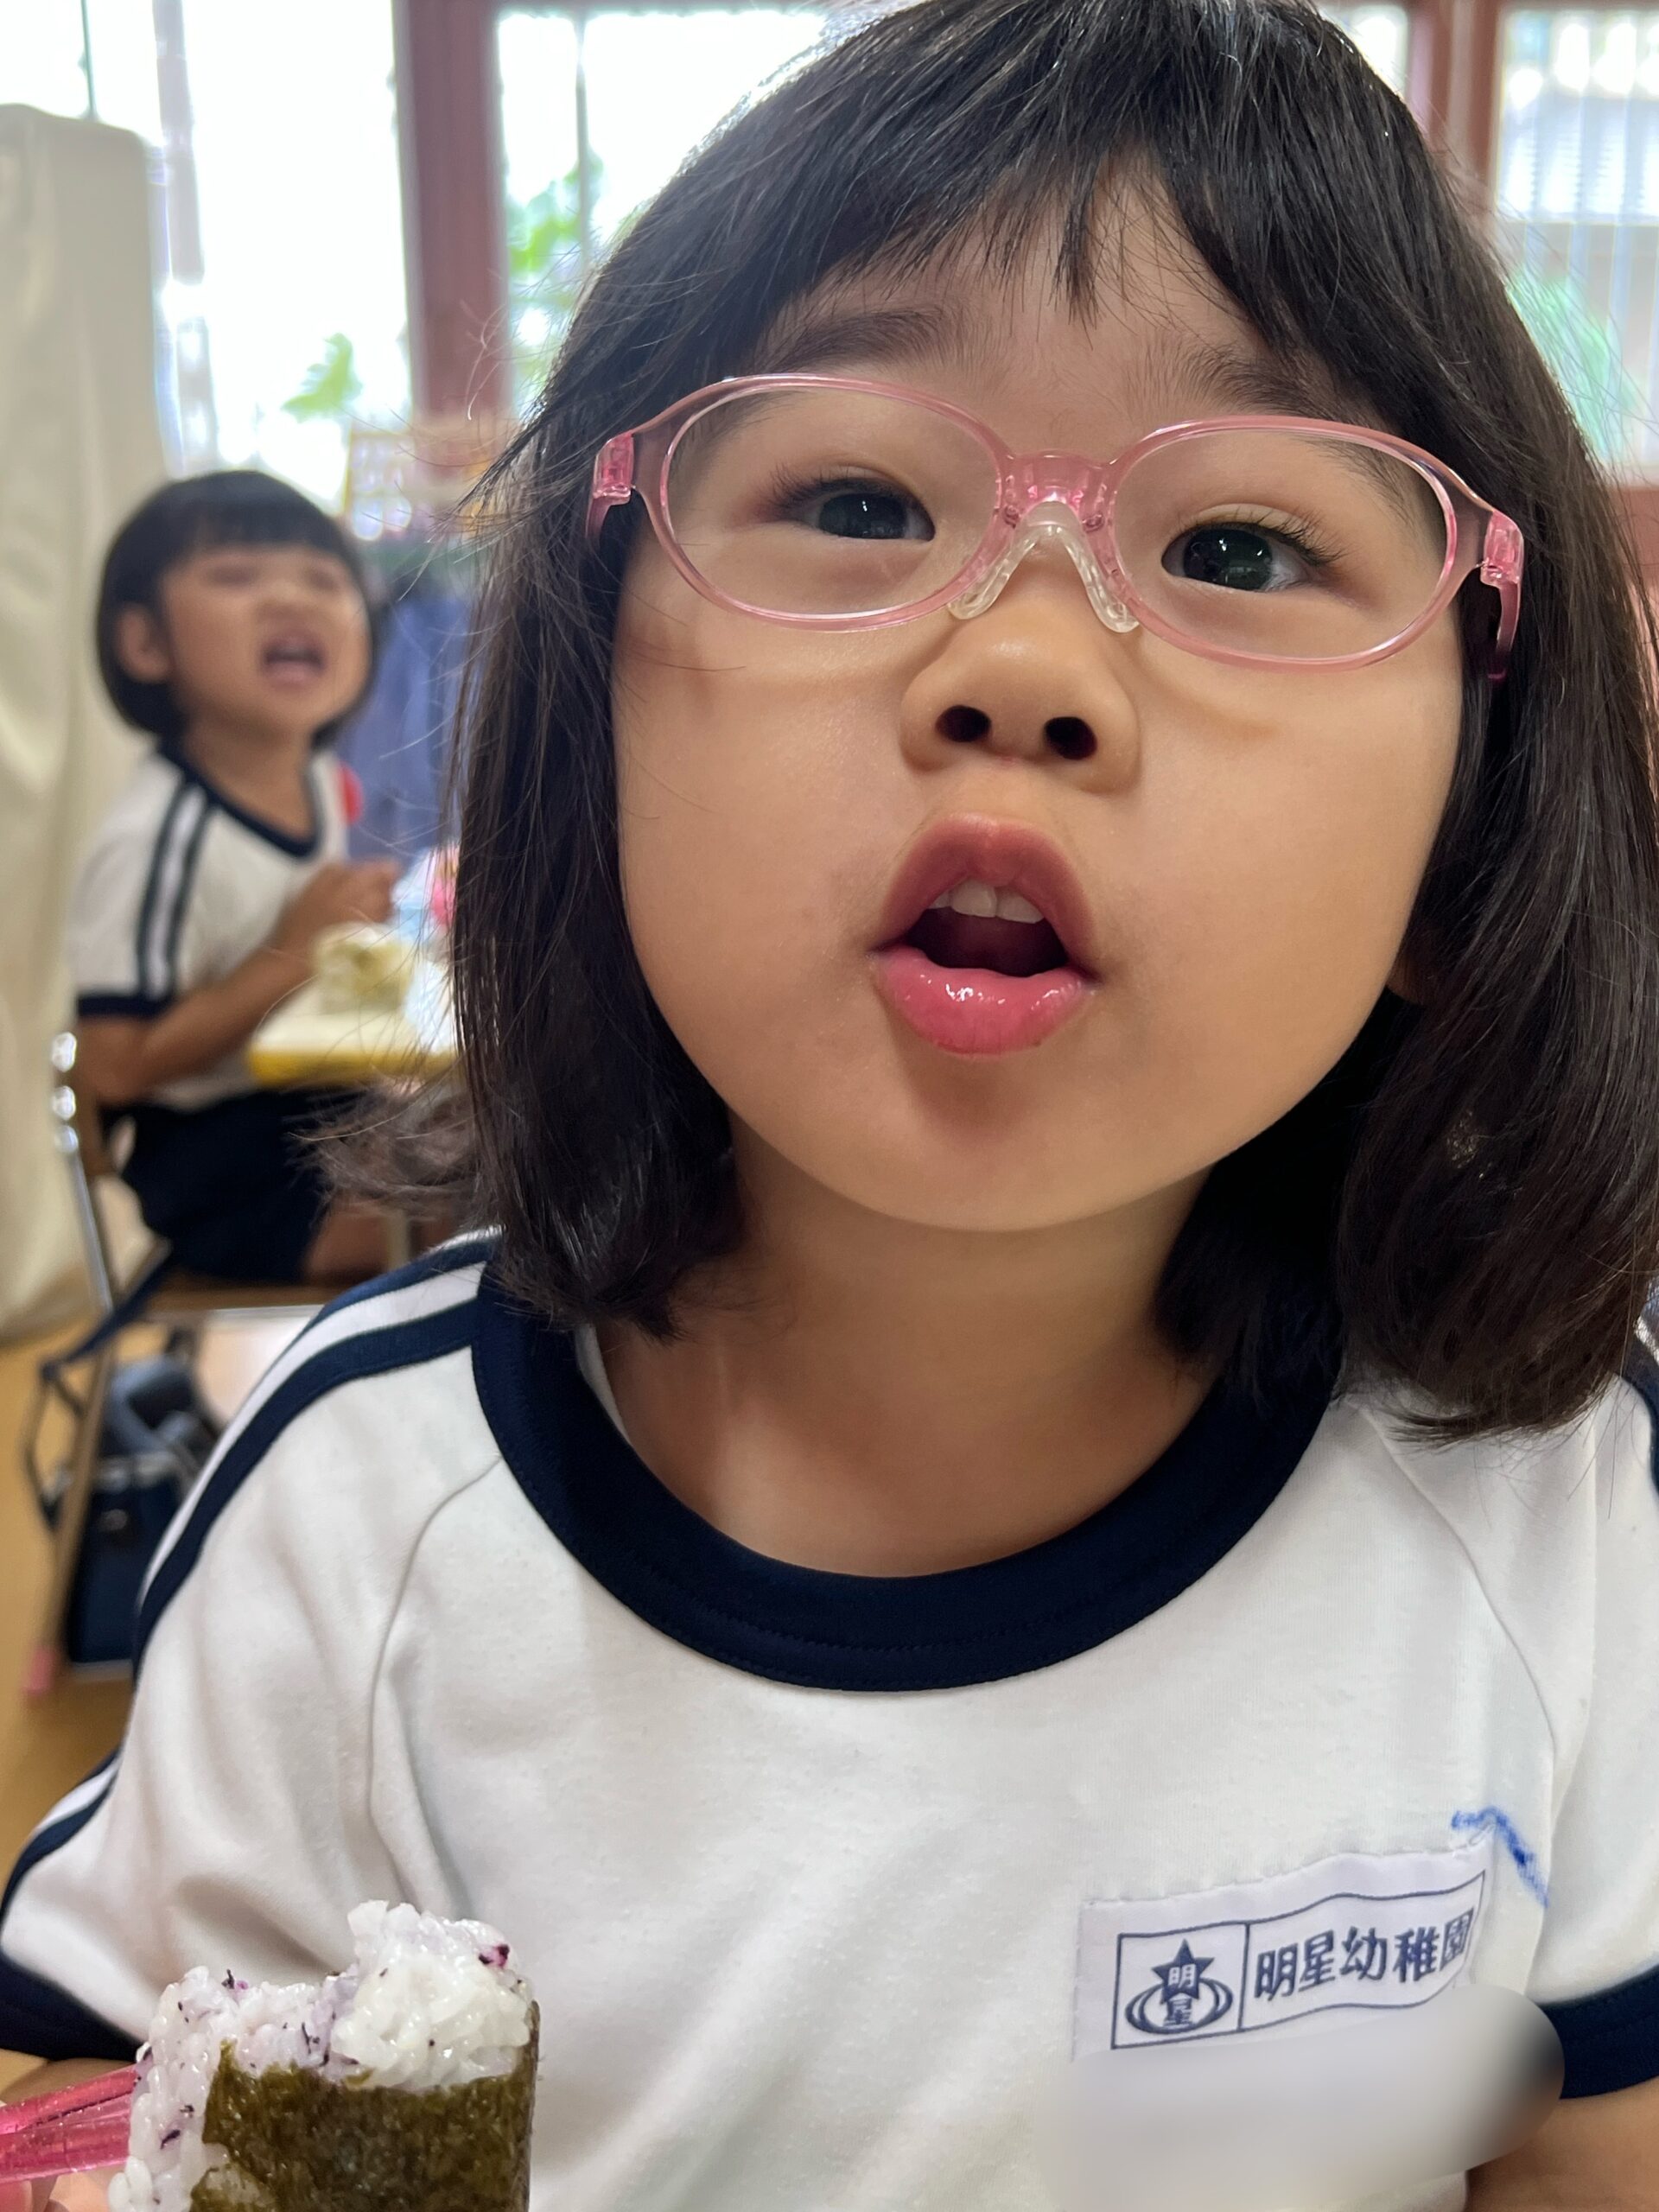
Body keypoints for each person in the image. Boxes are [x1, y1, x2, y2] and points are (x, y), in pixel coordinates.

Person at [3, 1, 1659, 2202]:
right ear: (592, 715)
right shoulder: (357, 1523)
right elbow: (101, 2097)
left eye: (1243, 549)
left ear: (1465, 835)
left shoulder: (1562, 1518)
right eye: (860, 499)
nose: (1026, 668)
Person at [66, 471, 401, 1285]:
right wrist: (295, 951)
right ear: (146, 645)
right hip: (224, 1171)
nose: (291, 597)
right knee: (494, 1211)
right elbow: (111, 1066)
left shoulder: (313, 775)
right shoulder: (158, 837)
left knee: (536, 1142)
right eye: (236, 575)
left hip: (316, 1105)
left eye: (325, 580)